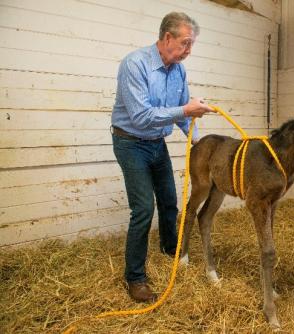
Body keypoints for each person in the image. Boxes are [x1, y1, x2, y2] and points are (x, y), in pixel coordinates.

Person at [111, 12, 214, 303]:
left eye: (191, 45)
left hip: (156, 143)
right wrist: (186, 111)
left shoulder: (178, 70)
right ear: (167, 38)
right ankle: (135, 277)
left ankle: (170, 248)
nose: (188, 51)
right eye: (185, 43)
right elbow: (142, 116)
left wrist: (200, 143)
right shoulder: (135, 64)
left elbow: (183, 112)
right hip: (130, 142)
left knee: (169, 200)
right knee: (143, 209)